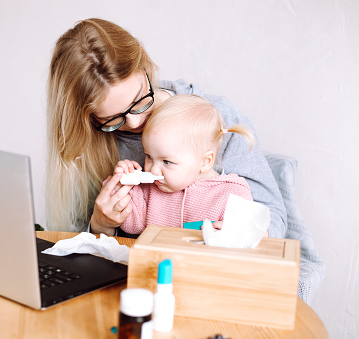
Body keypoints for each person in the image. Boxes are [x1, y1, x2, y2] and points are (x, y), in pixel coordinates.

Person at [46, 18, 286, 238]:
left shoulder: (216, 119)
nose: (135, 123)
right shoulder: (88, 143)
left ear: (145, 63)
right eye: (112, 119)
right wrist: (101, 225)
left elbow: (272, 217)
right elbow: (74, 244)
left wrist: (249, 233)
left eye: (139, 100)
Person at [116, 95, 255, 234]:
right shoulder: (149, 189)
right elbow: (131, 226)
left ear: (205, 161)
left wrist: (238, 233)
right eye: (149, 156)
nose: (154, 170)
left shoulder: (233, 194)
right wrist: (121, 185)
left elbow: (254, 236)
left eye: (167, 162)